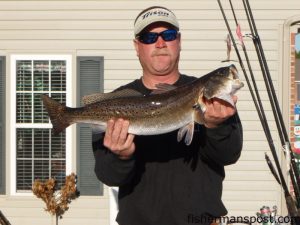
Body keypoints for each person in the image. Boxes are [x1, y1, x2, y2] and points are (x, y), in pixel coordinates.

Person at [92, 6, 243, 225]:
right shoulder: (114, 104)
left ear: (179, 42)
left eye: (168, 35)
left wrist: (216, 127)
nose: (160, 43)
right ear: (137, 46)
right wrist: (121, 156)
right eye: (149, 37)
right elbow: (108, 176)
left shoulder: (216, 103)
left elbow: (229, 155)